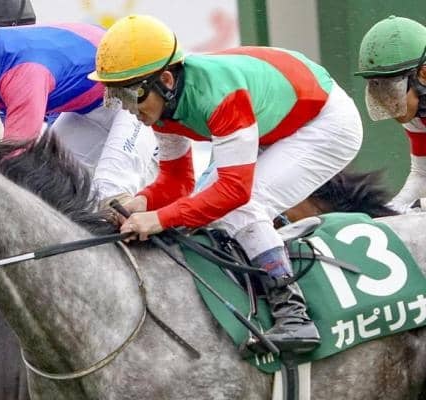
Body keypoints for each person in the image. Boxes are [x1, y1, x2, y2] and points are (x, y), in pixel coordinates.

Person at [89, 15, 363, 353]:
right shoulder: (162, 106)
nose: (130, 109)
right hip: (273, 120)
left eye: (133, 94)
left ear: (166, 80)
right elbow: (177, 183)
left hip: (325, 122)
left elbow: (235, 192)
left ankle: (294, 316)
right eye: (117, 96)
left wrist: (158, 219)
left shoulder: (218, 96)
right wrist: (142, 202)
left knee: (241, 207)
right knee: (206, 208)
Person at [0, 0, 157, 204]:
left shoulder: (24, 71)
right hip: (89, 107)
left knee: (109, 192)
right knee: (59, 192)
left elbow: (16, 156)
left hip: (134, 96)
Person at [355, 15, 426, 213]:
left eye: (393, 90)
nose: (389, 103)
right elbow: (422, 174)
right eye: (380, 91)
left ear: (423, 75)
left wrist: (420, 205)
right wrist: (391, 210)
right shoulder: (417, 115)